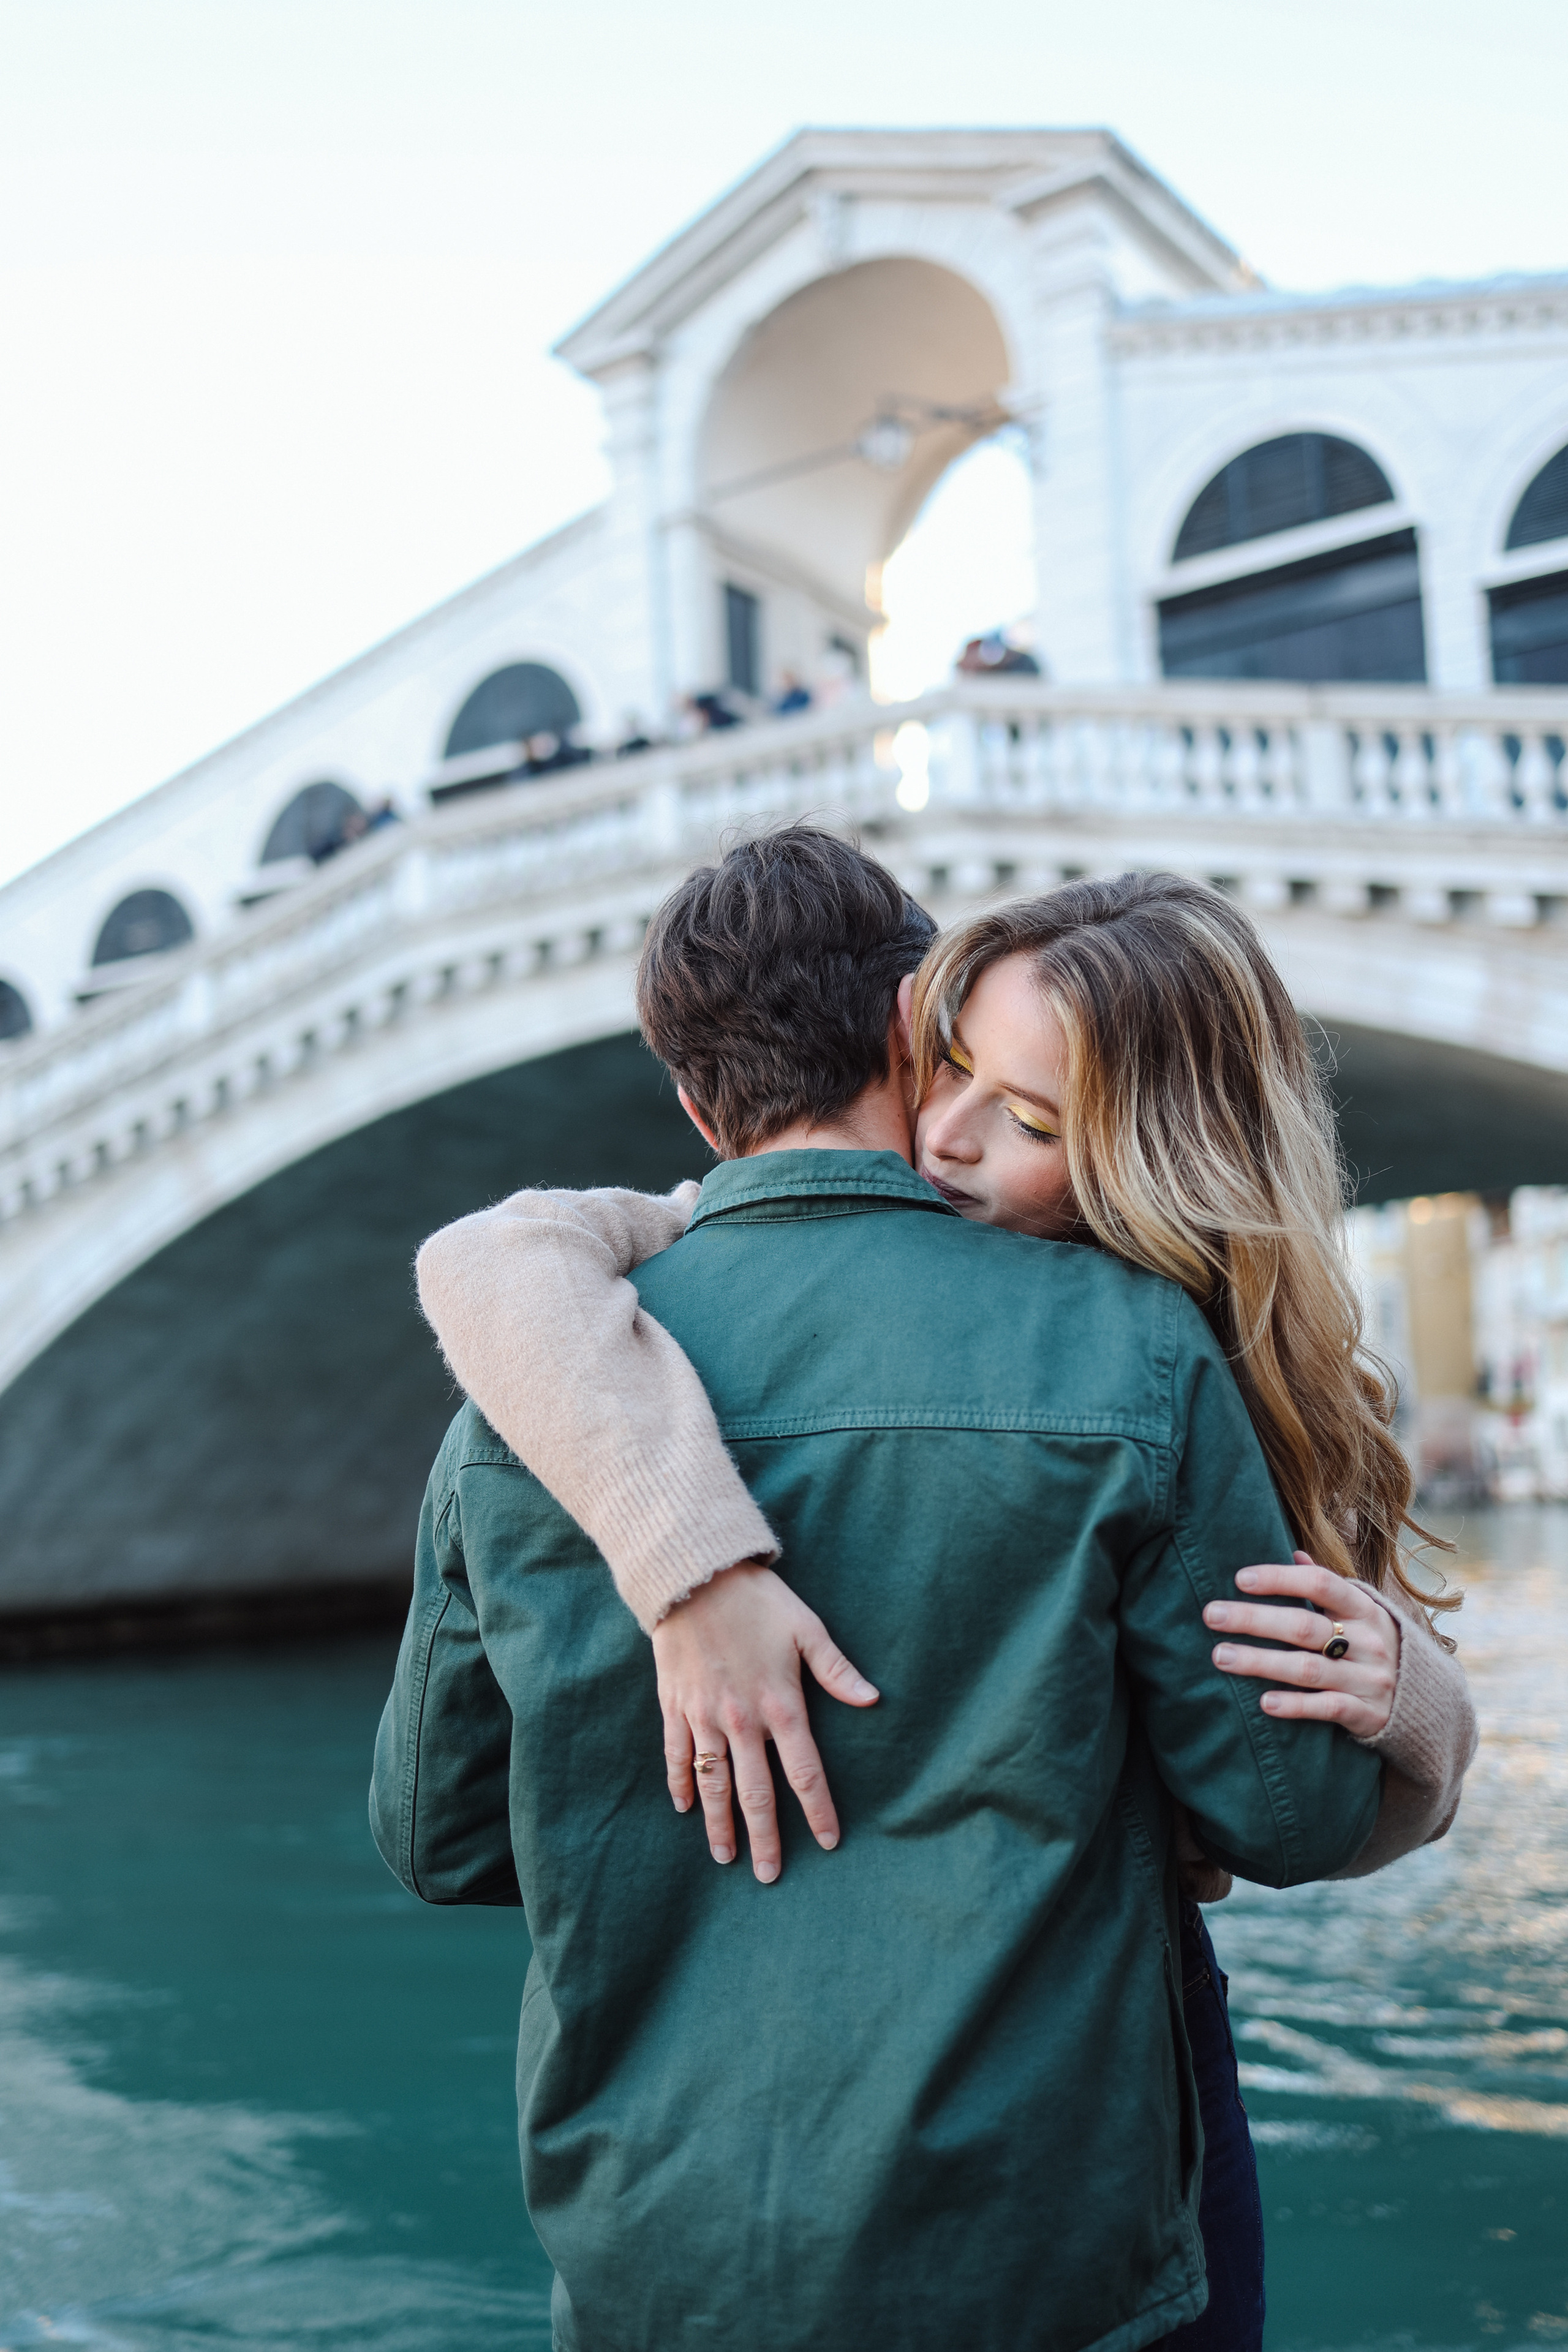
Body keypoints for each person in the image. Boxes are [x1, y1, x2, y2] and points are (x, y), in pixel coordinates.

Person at [377, 835, 1446, 2351]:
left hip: (664, 2251)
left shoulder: (529, 1394)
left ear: (691, 1102)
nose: (959, 1132)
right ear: (912, 1024)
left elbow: (440, 1833)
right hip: (1043, 2234)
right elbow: (1285, 1816)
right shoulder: (1132, 1346)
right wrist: (1411, 1705)